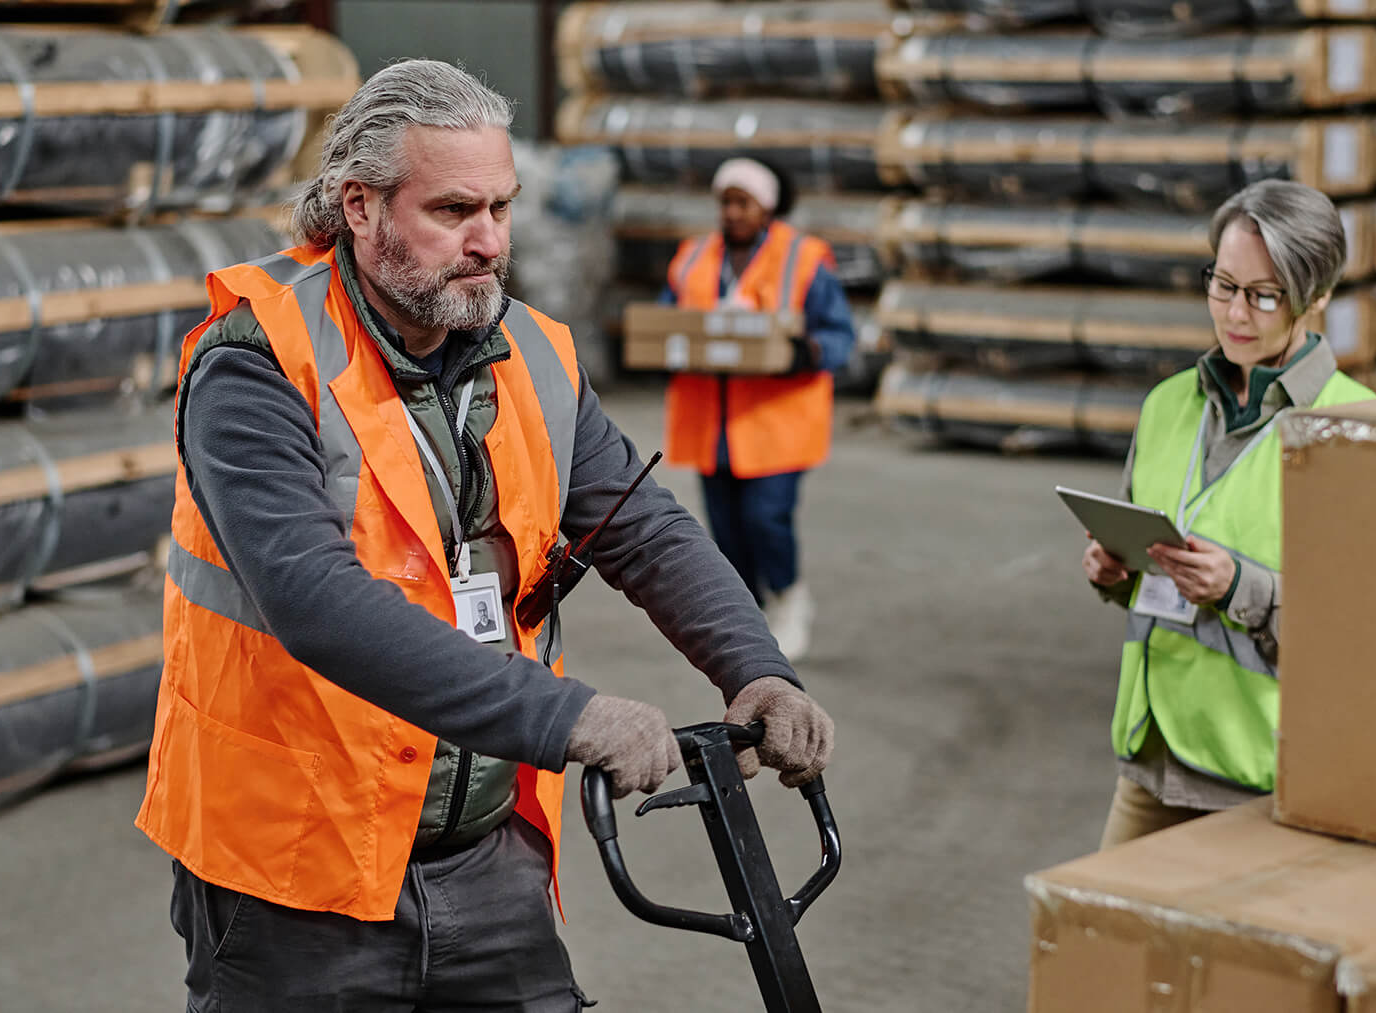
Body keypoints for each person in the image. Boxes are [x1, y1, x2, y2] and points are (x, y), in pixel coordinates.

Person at [135, 60, 834, 1012]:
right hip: (295, 874)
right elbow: (314, 598)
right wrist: (568, 718)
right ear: (361, 207)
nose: (489, 242)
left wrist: (755, 666)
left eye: (502, 207)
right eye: (455, 210)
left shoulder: (532, 352)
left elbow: (643, 530)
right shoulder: (256, 363)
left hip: (487, 855)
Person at [1081, 180, 1376, 850]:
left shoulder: (1354, 429)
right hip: (1151, 758)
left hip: (1267, 778)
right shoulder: (1166, 405)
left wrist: (1242, 588)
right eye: (1222, 284)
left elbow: (1369, 632)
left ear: (1319, 295)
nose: (1235, 314)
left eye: (1264, 294)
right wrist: (1113, 571)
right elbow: (1143, 571)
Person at [658, 156, 856, 663]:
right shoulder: (693, 257)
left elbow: (839, 336)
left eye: (742, 202)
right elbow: (663, 323)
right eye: (725, 202)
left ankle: (789, 598)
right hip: (711, 425)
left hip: (776, 424)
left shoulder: (804, 259)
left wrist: (802, 352)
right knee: (725, 531)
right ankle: (748, 619)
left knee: (767, 519)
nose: (732, 212)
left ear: (766, 207)